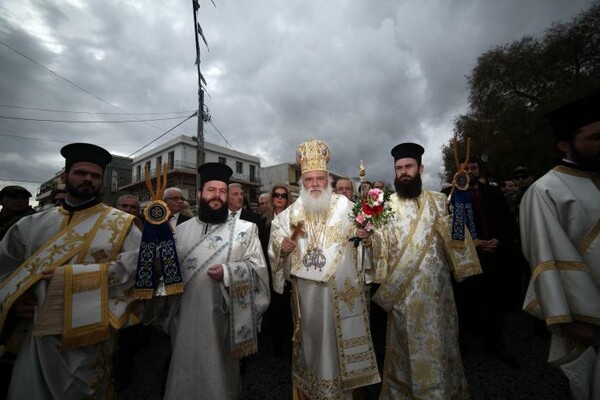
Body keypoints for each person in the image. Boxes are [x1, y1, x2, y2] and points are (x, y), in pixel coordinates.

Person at [0, 143, 142, 399]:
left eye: (95, 175)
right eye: (81, 173)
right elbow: (5, 269)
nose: (88, 179)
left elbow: (136, 271)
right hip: (37, 336)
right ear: (65, 177)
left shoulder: (122, 225)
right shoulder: (30, 225)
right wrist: (14, 302)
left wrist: (73, 279)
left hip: (90, 337)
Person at [269, 139, 379, 399]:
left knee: (340, 352)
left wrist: (365, 235)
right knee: (313, 349)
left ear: (328, 179)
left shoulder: (345, 206)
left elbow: (362, 234)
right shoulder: (289, 215)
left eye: (320, 178)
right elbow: (275, 246)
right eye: (309, 180)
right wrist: (281, 249)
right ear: (302, 183)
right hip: (307, 301)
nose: (315, 184)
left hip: (342, 296)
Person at [156, 162, 270, 400]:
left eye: (221, 191)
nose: (216, 196)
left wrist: (229, 273)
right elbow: (166, 274)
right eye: (211, 190)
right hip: (184, 317)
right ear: (200, 194)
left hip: (223, 320)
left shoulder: (246, 230)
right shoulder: (181, 230)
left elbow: (258, 271)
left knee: (220, 377)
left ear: (227, 196)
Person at [371, 143, 469, 399]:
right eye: (399, 168)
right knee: (405, 353)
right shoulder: (385, 205)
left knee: (441, 348)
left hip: (439, 297)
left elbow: (457, 240)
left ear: (420, 168)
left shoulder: (438, 200)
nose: (404, 172)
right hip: (404, 297)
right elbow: (379, 249)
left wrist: (461, 201)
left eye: (409, 167)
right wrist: (366, 237)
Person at [520, 92, 600, 400]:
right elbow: (546, 260)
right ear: (565, 144)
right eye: (595, 137)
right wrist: (568, 319)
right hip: (589, 317)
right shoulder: (546, 190)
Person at [457, 156, 520, 367]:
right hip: (470, 258)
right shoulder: (456, 195)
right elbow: (455, 231)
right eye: (465, 168)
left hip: (495, 257)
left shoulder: (493, 193)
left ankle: (496, 343)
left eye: (473, 168)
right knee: (466, 304)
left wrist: (499, 240)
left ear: (479, 171)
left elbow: (507, 221)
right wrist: (475, 243)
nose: (469, 171)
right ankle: (462, 347)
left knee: (495, 303)